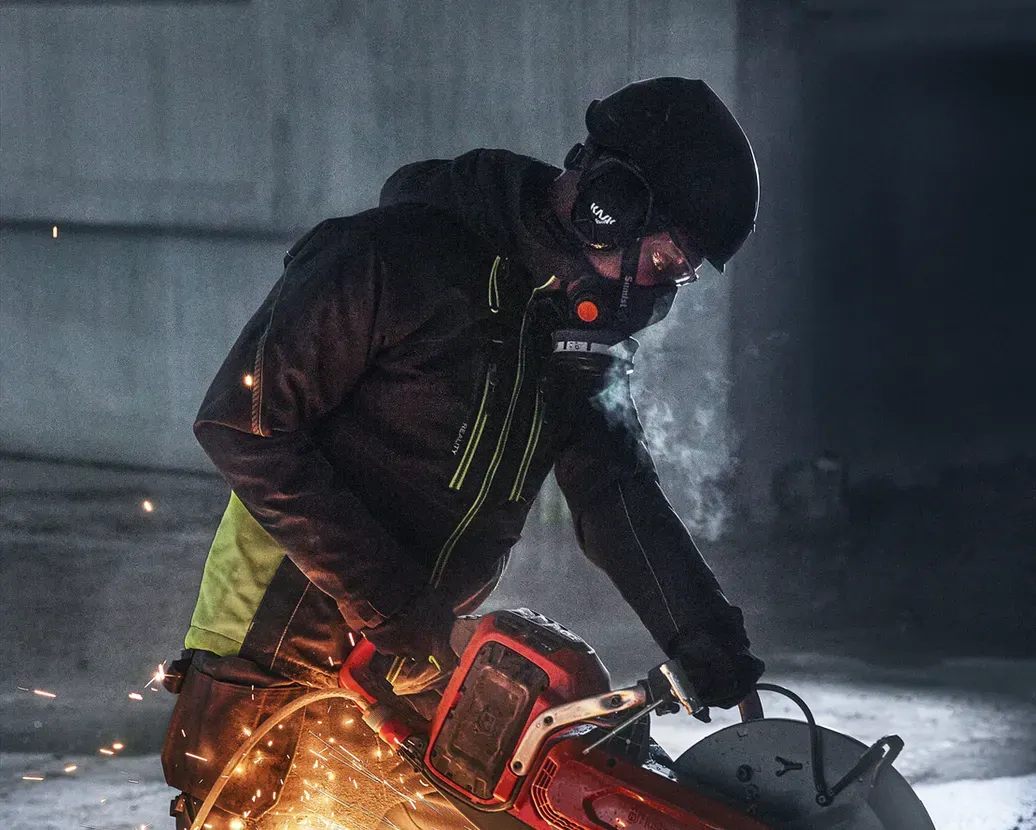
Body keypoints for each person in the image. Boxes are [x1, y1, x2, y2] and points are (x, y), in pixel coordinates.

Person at [162, 76, 764, 829]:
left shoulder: (571, 333)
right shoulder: (386, 258)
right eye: (666, 263)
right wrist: (397, 606)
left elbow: (613, 490)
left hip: (416, 655)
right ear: (611, 205)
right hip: (276, 642)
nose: (660, 292)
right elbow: (244, 425)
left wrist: (703, 636)